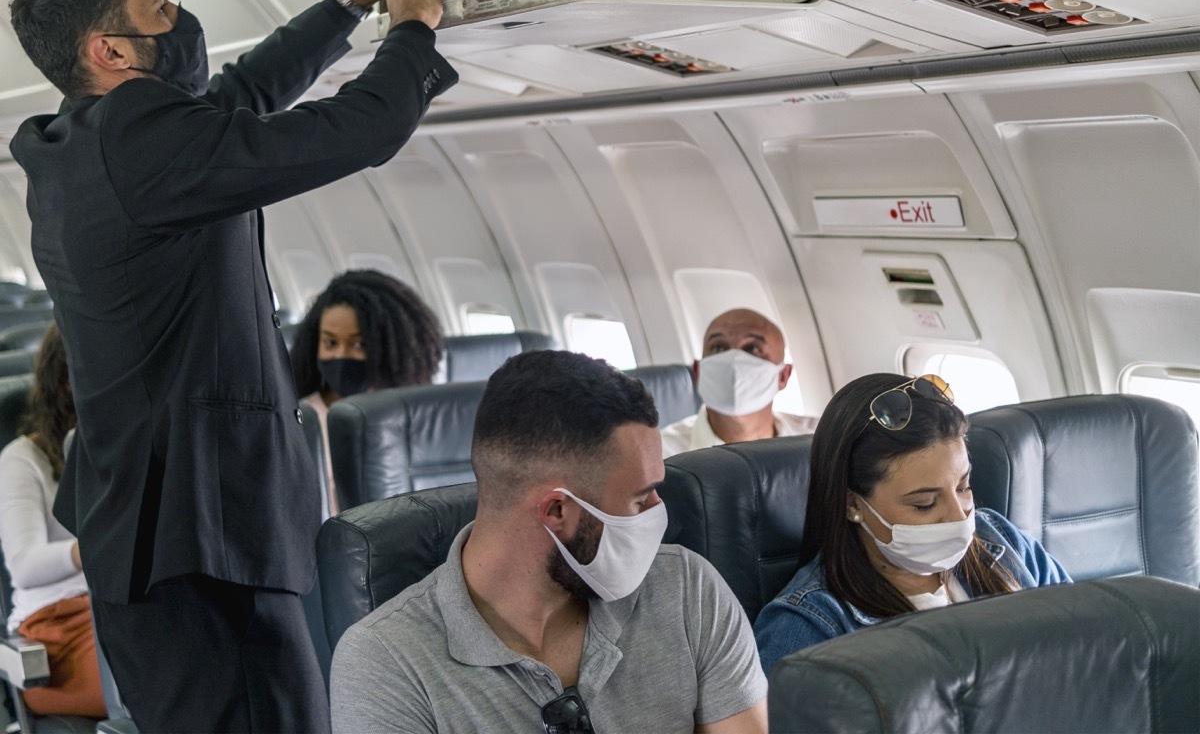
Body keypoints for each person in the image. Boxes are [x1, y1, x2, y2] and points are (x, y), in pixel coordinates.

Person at [8, 0, 456, 730]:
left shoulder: (80, 140)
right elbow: (355, 130)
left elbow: (240, 93)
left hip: (158, 535)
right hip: (202, 538)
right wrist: (411, 31)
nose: (179, 19)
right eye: (160, 11)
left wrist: (348, 2)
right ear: (108, 50)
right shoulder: (142, 142)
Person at [330, 350, 768, 733]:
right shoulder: (386, 661)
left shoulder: (688, 590)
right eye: (639, 499)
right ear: (558, 512)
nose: (658, 510)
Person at [753, 373, 1071, 675]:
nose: (959, 516)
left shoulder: (1002, 542)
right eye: (924, 504)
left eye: (963, 487)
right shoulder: (808, 624)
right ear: (853, 504)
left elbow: (1088, 646)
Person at [0, 324, 105, 718]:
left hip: (117, 611)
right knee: (160, 684)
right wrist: (95, 550)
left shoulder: (122, 447)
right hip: (54, 635)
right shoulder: (21, 459)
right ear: (64, 383)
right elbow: (24, 566)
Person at [291, 269, 444, 512]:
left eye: (359, 344)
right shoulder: (299, 421)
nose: (341, 355)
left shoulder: (414, 416)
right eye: (330, 343)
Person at [661, 308, 818, 458]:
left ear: (783, 375)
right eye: (718, 348)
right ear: (698, 372)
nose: (734, 360)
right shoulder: (660, 454)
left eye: (752, 349)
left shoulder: (819, 440)